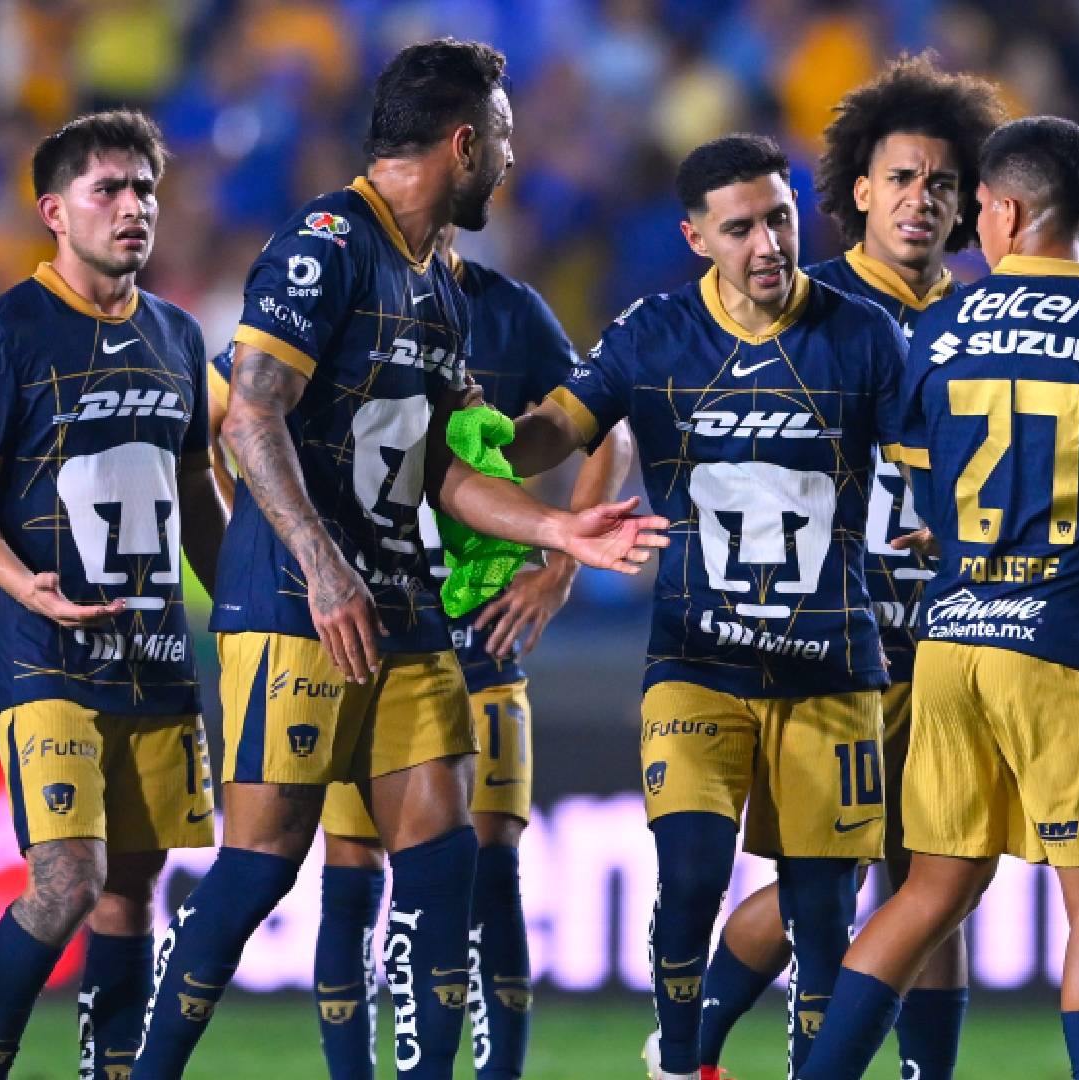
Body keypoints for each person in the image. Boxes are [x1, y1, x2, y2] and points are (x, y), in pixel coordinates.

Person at [134, 38, 665, 1080]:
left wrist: (557, 533)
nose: (511, 161)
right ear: (463, 144)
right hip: (297, 603)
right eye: (502, 139)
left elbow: (443, 469)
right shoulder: (325, 244)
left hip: (405, 608)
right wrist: (321, 564)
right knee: (259, 868)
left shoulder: (444, 287)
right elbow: (251, 416)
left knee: (441, 860)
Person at [799, 116, 1079, 1080]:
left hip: (950, 644)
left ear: (1010, 212)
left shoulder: (940, 329)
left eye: (978, 206)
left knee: (929, 891)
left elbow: (922, 490)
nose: (971, 223)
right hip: (1065, 646)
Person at [500, 133, 912, 1080]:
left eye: (780, 218)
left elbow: (925, 462)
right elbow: (560, 425)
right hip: (696, 657)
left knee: (822, 914)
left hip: (832, 668)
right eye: (741, 229)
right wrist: (473, 441)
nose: (768, 244)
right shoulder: (653, 333)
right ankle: (683, 1066)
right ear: (695, 238)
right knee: (689, 880)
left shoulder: (862, 336)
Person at [208, 226, 637, 1080]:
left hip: (479, 636)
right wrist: (262, 551)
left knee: (487, 871)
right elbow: (223, 417)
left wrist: (555, 571)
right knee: (350, 872)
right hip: (368, 633)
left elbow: (607, 433)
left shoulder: (507, 309)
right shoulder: (343, 285)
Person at [695, 55, 1002, 1080]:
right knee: (822, 885)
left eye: (944, 182)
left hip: (953, 636)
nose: (923, 199)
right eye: (902, 178)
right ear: (859, 190)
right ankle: (689, 1044)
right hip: (831, 641)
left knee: (940, 879)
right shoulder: (803, 306)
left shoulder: (987, 319)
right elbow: (681, 412)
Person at [0, 110, 226, 1080]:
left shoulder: (179, 336)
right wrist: (26, 585)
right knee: (67, 879)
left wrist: (246, 608)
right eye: (109, 189)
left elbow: (198, 501)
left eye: (145, 189)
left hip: (156, 654)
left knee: (132, 888)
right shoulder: (4, 332)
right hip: (47, 652)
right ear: (54, 211)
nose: (134, 207)